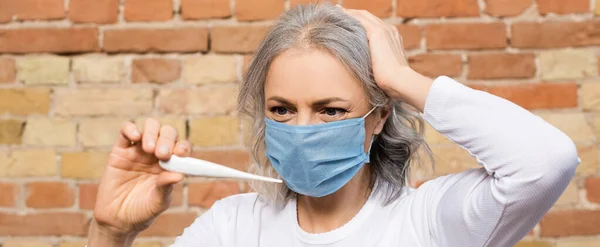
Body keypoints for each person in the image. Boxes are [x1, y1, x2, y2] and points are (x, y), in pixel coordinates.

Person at [87, 3, 580, 247]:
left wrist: (401, 78)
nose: (302, 128)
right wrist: (110, 233)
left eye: (331, 110)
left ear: (377, 119)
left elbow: (546, 161)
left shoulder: (432, 222)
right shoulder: (233, 228)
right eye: (282, 109)